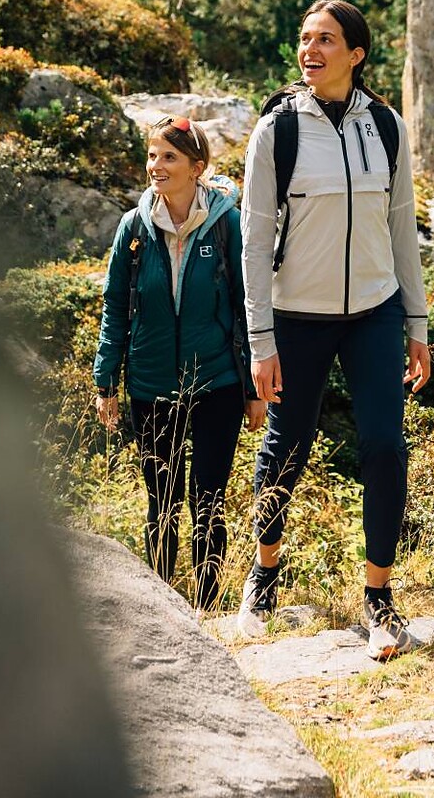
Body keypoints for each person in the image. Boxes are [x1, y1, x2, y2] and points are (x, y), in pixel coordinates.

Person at [237, 0, 431, 660]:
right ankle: (264, 573)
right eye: (303, 39)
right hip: (296, 318)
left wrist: (417, 323)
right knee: (284, 448)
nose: (309, 50)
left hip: (373, 313)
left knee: (384, 447)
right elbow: (253, 241)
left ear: (356, 53)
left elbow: (400, 228)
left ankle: (379, 601)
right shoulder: (277, 131)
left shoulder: (386, 127)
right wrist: (259, 342)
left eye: (325, 40)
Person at [93, 116, 266, 612]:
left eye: (168, 157)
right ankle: (166, 610)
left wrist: (255, 389)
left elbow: (248, 305)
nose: (156, 166)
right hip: (150, 385)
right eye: (152, 155)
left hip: (217, 383)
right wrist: (107, 380)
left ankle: (208, 608)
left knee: (207, 502)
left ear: (197, 167)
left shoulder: (227, 224)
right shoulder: (133, 227)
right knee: (161, 502)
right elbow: (115, 305)